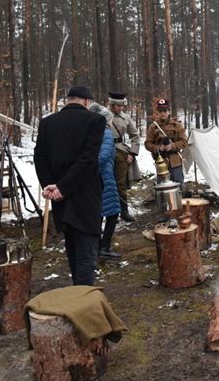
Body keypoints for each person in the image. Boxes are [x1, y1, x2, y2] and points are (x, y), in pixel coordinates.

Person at [34, 86, 105, 286]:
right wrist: (61, 188)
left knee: (73, 249)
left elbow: (39, 157)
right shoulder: (95, 120)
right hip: (84, 196)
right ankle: (83, 302)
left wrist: (51, 185)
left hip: (60, 198)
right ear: (86, 101)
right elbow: (87, 160)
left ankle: (78, 296)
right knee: (86, 254)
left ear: (69, 100)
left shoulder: (48, 123)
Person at [89, 102, 121, 260]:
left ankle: (97, 247)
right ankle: (104, 247)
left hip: (97, 177)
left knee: (99, 212)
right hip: (104, 177)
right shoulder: (105, 133)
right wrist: (93, 167)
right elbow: (103, 155)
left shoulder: (91, 132)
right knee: (113, 212)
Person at [108, 92, 141, 222]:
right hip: (104, 152)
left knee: (120, 183)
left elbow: (135, 136)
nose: (120, 108)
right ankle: (111, 213)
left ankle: (124, 211)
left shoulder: (126, 118)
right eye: (118, 106)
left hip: (120, 151)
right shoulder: (102, 116)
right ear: (112, 104)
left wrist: (132, 153)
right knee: (107, 183)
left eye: (122, 106)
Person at [145, 98, 188, 185]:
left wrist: (172, 146)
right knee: (162, 188)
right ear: (158, 112)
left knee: (178, 187)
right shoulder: (153, 127)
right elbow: (148, 143)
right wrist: (158, 148)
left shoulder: (177, 125)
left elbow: (184, 142)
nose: (163, 113)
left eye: (165, 110)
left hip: (175, 161)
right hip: (161, 162)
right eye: (160, 111)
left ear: (169, 111)